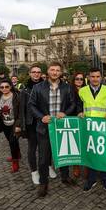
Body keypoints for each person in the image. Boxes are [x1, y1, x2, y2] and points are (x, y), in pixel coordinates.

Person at [29, 61, 77, 197]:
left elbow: (73, 104)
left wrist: (65, 112)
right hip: (44, 127)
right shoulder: (38, 87)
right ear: (48, 71)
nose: (55, 72)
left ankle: (65, 177)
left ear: (61, 72)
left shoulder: (67, 87)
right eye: (52, 70)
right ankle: (43, 183)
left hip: (61, 127)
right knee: (44, 158)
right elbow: (31, 105)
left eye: (57, 70)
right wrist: (41, 117)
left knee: (64, 154)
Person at [78, 68, 106, 191]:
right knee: (91, 154)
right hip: (88, 128)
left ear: (101, 77)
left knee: (103, 153)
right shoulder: (82, 91)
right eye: (92, 76)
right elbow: (79, 106)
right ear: (88, 77)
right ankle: (91, 179)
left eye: (97, 76)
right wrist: (79, 112)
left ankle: (105, 178)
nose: (95, 79)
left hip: (103, 127)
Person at [19, 64, 46, 184]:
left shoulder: (46, 86)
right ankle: (34, 172)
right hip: (31, 123)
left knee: (45, 148)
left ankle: (47, 166)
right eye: (33, 72)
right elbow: (21, 109)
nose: (36, 74)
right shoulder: (24, 89)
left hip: (44, 122)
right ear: (30, 73)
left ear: (41, 74)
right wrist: (21, 124)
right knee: (32, 148)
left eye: (38, 72)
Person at [0, 79, 21, 173]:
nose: (4, 89)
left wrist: (18, 125)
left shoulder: (17, 96)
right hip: (4, 123)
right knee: (11, 140)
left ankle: (15, 162)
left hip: (15, 124)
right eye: (2, 87)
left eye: (6, 86)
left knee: (12, 142)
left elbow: (21, 112)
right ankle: (18, 154)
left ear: (10, 86)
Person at [70, 72, 86, 179]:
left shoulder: (87, 91)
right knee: (75, 144)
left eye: (81, 79)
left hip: (85, 120)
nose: (79, 81)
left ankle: (87, 166)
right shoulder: (70, 91)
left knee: (85, 144)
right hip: (73, 119)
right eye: (77, 79)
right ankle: (76, 166)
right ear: (73, 80)